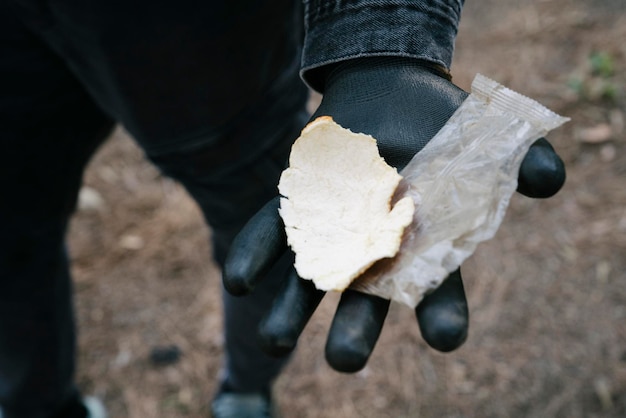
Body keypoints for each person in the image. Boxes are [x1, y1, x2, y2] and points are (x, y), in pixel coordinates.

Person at [0, 0, 565, 417]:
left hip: (194, 41)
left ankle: (244, 390)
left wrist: (380, 35)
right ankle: (33, 403)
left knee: (262, 233)